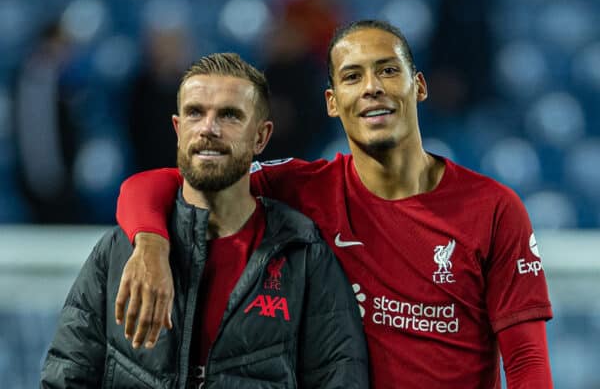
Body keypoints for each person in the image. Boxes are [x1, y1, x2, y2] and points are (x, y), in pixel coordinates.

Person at [115, 21, 554, 388]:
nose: (371, 88)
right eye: (351, 76)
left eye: (387, 71)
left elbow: (527, 363)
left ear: (418, 86)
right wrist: (151, 245)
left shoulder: (493, 209)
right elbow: (155, 185)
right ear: (332, 102)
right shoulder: (304, 189)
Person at [41, 53, 368, 388]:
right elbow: (66, 377)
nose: (209, 129)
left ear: (261, 137)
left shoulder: (303, 254)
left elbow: (340, 378)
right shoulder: (119, 253)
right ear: (178, 128)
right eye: (195, 113)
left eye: (229, 115)